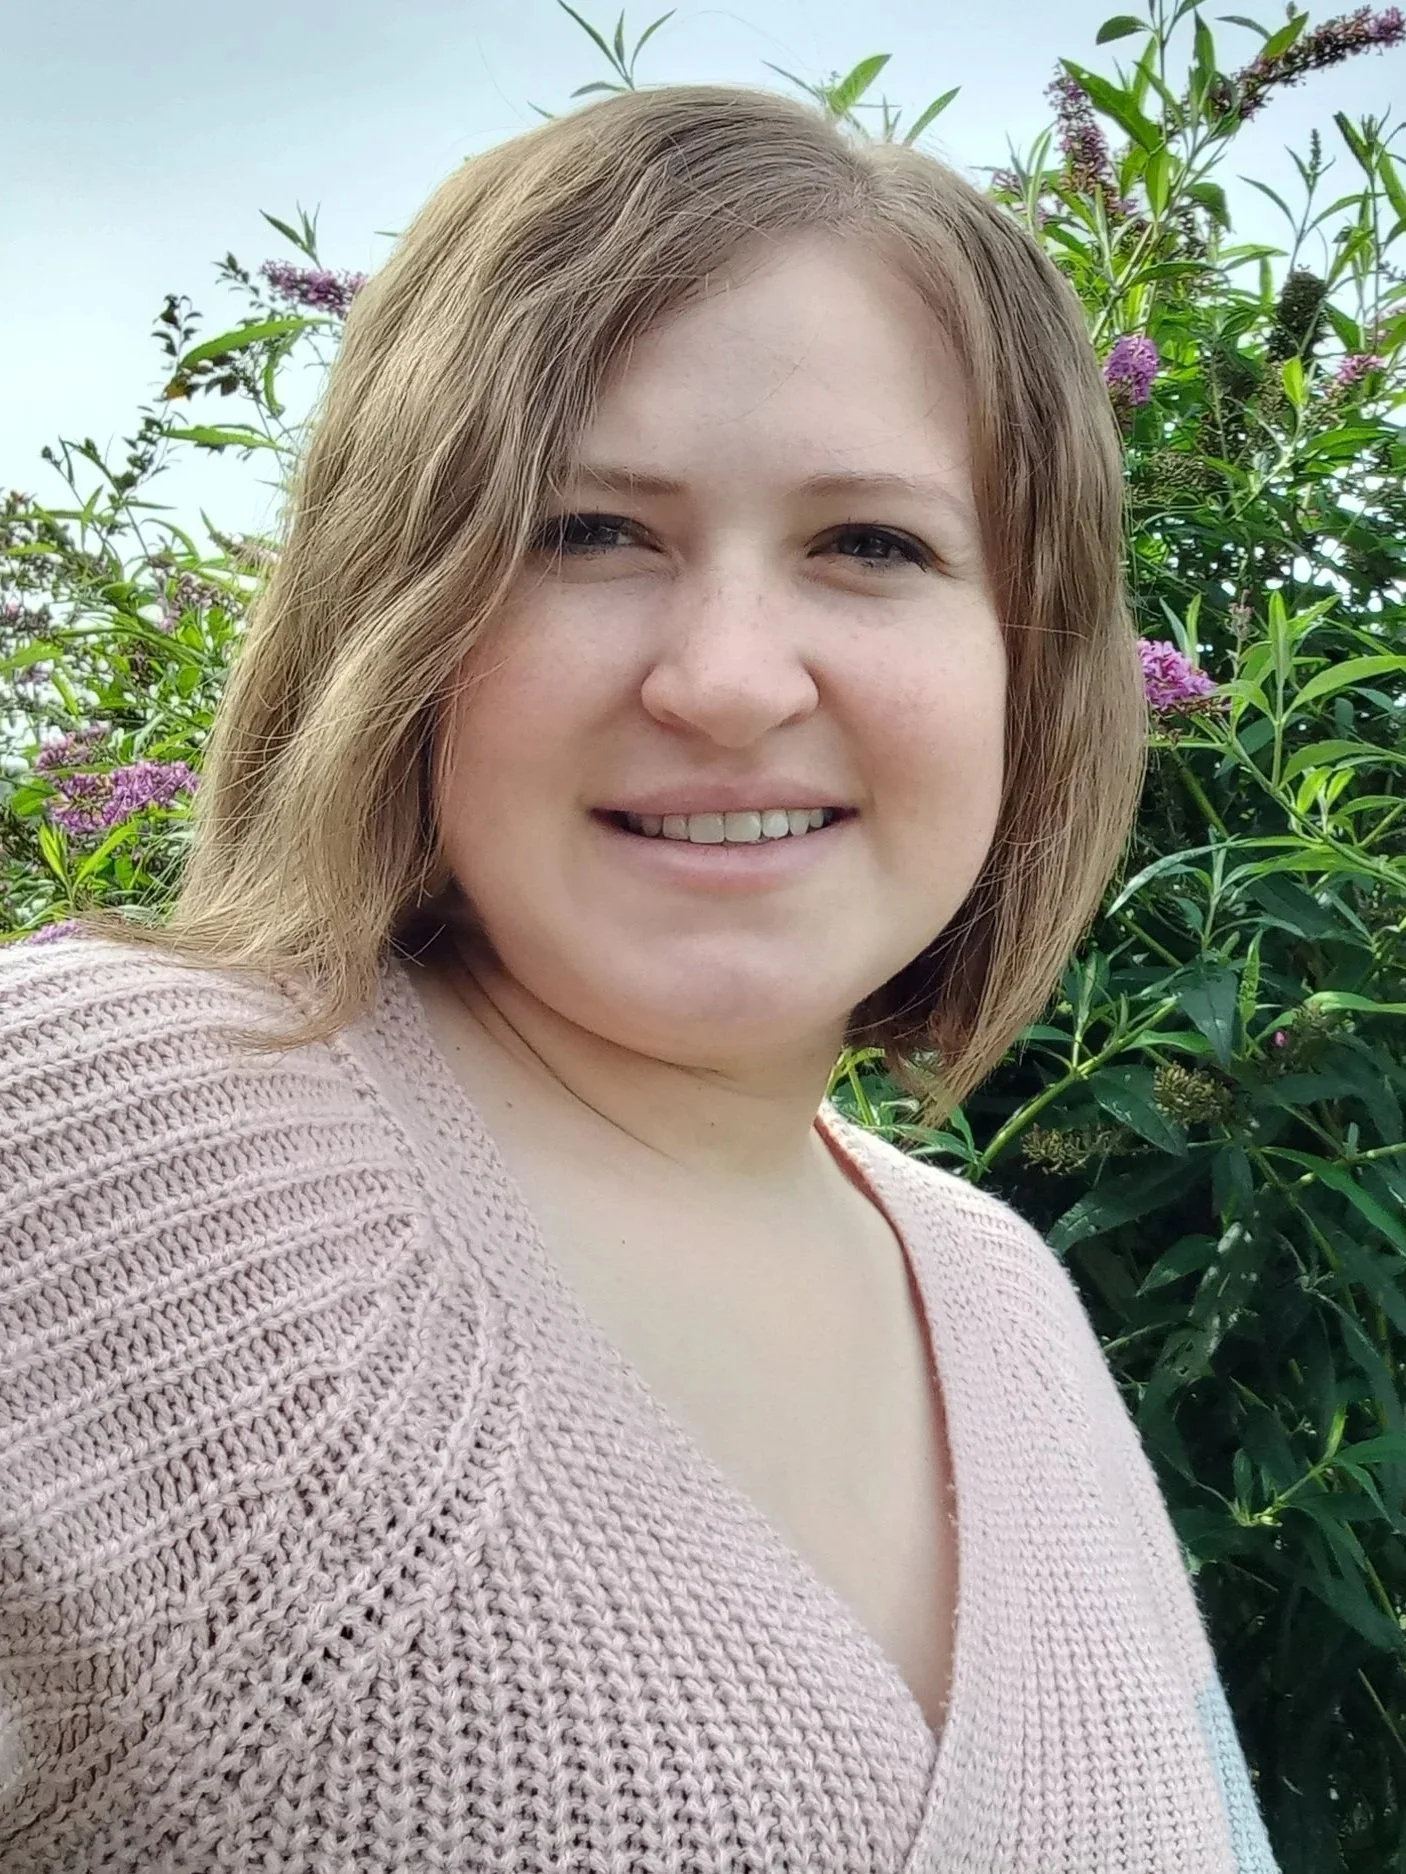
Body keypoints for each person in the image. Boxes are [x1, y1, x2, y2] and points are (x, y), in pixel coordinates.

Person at [0, 82, 1279, 1874]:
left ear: (1026, 655)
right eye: (589, 531)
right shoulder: (90, 1137)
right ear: (394, 601)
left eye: (871, 544)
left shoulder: (1002, 1302)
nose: (729, 681)